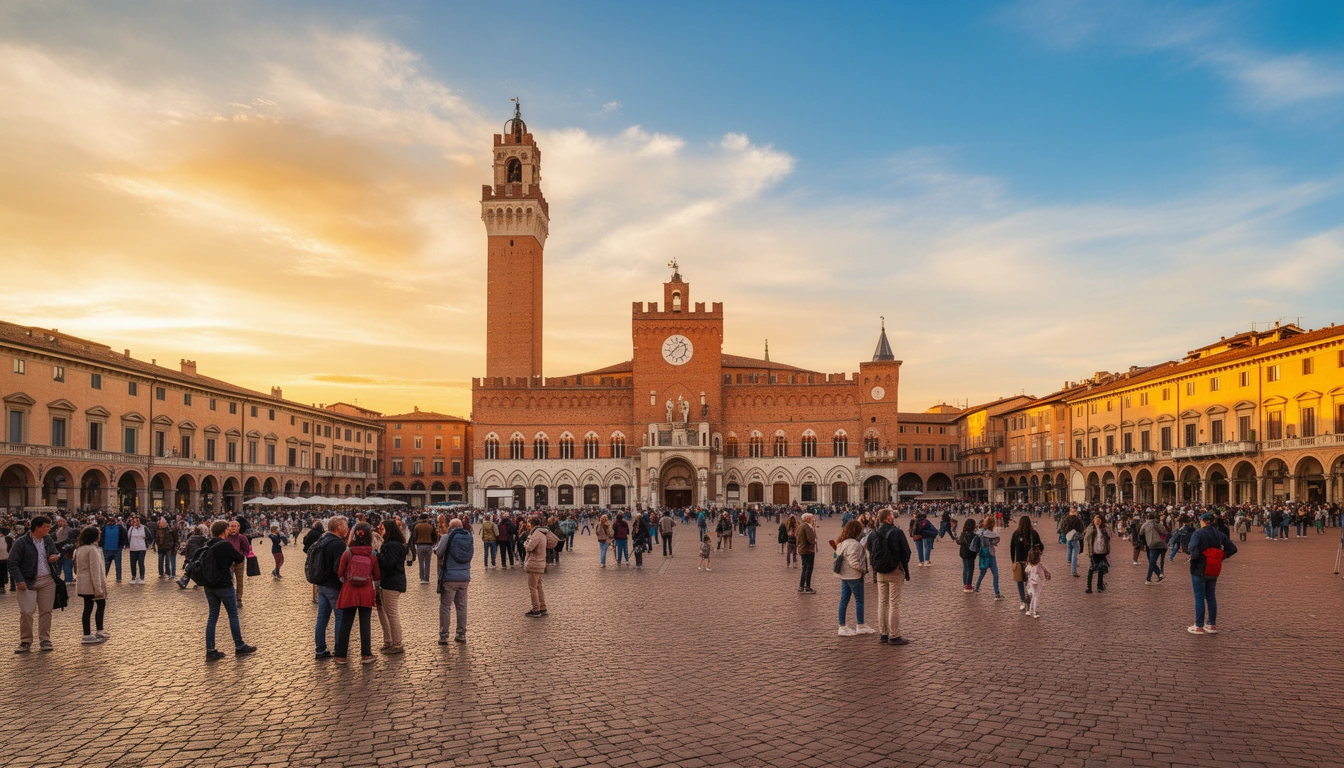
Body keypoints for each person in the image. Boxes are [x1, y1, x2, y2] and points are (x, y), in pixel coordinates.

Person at [198, 519, 255, 661]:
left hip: (209, 585)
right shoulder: (225, 545)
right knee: (233, 615)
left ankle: (210, 650)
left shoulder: (208, 543)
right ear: (224, 531)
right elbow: (239, 558)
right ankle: (239, 645)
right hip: (224, 584)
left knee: (212, 617)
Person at [10, 515, 60, 653]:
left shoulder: (48, 539)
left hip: (47, 580)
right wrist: (19, 580)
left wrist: (56, 556)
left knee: (46, 611)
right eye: (46, 527)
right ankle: (25, 640)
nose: (49, 529)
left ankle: (45, 639)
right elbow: (13, 562)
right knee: (26, 612)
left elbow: (55, 553)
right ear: (37, 527)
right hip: (27, 582)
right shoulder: (21, 542)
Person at [335, 523, 380, 664]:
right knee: (365, 623)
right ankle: (366, 655)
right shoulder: (372, 554)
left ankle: (341, 655)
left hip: (349, 591)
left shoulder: (348, 552)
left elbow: (340, 572)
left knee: (346, 623)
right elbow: (377, 575)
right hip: (366, 591)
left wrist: (347, 579)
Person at [866, 508, 911, 645]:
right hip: (894, 571)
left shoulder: (873, 533)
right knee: (894, 603)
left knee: (882, 602)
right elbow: (906, 552)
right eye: (892, 515)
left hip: (879, 571)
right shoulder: (897, 532)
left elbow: (869, 548)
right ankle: (894, 635)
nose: (893, 516)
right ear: (888, 518)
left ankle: (883, 633)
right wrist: (900, 563)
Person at [1187, 512, 1238, 635]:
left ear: (1202, 521)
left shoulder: (1198, 533)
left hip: (1200, 568)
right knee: (1211, 596)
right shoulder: (1219, 534)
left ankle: (1199, 626)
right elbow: (1233, 548)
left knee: (1199, 597)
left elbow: (1193, 550)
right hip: (1214, 567)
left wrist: (1195, 556)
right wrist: (1222, 556)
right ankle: (1212, 624)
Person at [307, 516, 349, 660]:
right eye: (345, 526)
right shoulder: (338, 544)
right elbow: (339, 567)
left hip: (321, 585)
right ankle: (339, 649)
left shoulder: (322, 539)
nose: (347, 529)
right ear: (338, 527)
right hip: (333, 586)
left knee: (322, 618)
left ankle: (320, 649)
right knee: (340, 617)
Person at [834, 520, 875, 637]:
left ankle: (842, 625)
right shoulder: (854, 544)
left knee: (844, 600)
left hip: (844, 575)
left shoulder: (842, 542)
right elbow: (854, 562)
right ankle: (860, 624)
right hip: (854, 575)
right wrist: (862, 569)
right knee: (859, 600)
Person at [436, 518, 473, 643]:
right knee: (462, 606)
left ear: (451, 526)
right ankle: (461, 634)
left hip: (450, 576)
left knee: (445, 606)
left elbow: (439, 551)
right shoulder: (469, 537)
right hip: (464, 576)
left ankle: (444, 635)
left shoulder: (447, 537)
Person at [375, 519, 407, 653]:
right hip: (391, 581)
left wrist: (377, 556)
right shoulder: (394, 544)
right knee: (387, 612)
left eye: (383, 529)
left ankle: (397, 643)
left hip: (392, 582)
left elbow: (388, 563)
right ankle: (389, 641)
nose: (381, 531)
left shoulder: (392, 545)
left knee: (392, 613)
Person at [73, 526, 109, 643]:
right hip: (92, 583)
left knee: (87, 608)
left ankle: (88, 633)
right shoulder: (92, 549)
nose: (100, 536)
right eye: (98, 534)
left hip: (83, 583)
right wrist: (98, 588)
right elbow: (95, 570)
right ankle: (94, 632)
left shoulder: (79, 549)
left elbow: (75, 568)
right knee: (99, 605)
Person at [523, 517, 559, 617]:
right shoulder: (542, 533)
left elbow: (530, 547)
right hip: (540, 562)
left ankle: (536, 609)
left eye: (528, 523)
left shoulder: (536, 534)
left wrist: (525, 544)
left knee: (532, 588)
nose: (527, 525)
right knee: (538, 586)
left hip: (534, 563)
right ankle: (542, 607)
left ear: (532, 524)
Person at [1009, 516, 1044, 611]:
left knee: (1020, 581)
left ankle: (1023, 600)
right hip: (1031, 562)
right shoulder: (1033, 533)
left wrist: (1013, 561)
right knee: (1030, 581)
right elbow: (1041, 546)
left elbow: (1012, 548)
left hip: (1019, 561)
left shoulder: (1016, 534)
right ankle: (1030, 599)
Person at [974, 517, 1002, 599]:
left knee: (982, 572)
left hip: (983, 554)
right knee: (995, 574)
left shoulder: (981, 532)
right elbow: (996, 540)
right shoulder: (994, 535)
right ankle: (997, 593)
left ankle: (977, 587)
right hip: (991, 554)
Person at [1083, 515, 1111, 594]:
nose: (1097, 521)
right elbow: (1086, 539)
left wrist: (1106, 527)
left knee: (1101, 569)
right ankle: (1089, 586)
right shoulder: (1091, 528)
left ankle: (1100, 586)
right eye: (1096, 519)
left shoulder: (1104, 528)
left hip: (1103, 550)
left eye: (1099, 520)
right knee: (1092, 568)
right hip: (1094, 551)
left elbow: (1109, 536)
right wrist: (1088, 551)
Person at [1140, 513, 1169, 585]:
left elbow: (1141, 533)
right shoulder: (1159, 524)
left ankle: (1148, 579)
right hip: (1162, 544)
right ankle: (1160, 574)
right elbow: (1164, 532)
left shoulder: (1145, 524)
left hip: (1153, 545)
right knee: (1153, 562)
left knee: (1151, 562)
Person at [1024, 549, 1050, 618]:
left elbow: (1026, 571)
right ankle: (1034, 611)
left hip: (1031, 583)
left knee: (1033, 596)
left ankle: (1030, 610)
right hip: (1037, 583)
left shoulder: (1030, 565)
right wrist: (1047, 574)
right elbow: (1045, 569)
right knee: (1035, 597)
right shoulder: (1039, 564)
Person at [1060, 508, 1085, 577]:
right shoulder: (1077, 520)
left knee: (1069, 548)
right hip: (1075, 537)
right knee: (1075, 554)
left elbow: (1062, 527)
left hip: (1068, 536)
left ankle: (1068, 560)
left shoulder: (1066, 519)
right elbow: (1081, 529)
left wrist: (1067, 534)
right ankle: (1073, 570)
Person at [102, 516, 127, 583]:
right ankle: (118, 578)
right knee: (118, 565)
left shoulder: (104, 528)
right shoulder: (119, 528)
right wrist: (123, 545)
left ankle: (104, 577)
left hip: (106, 549)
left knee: (105, 565)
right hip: (117, 549)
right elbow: (124, 536)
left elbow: (101, 538)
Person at [412, 514, 437, 583]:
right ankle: (427, 578)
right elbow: (434, 536)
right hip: (429, 545)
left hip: (420, 545)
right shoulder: (430, 526)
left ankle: (422, 578)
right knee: (427, 562)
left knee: (421, 562)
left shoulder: (417, 526)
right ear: (427, 519)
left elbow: (414, 536)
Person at [796, 513, 817, 594]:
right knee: (808, 568)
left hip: (802, 549)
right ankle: (807, 586)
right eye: (811, 518)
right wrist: (814, 541)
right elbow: (811, 538)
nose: (812, 519)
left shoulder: (800, 526)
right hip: (808, 550)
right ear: (806, 518)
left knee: (804, 568)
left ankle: (801, 586)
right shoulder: (807, 526)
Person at [957, 518, 979, 593]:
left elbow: (959, 542)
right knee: (970, 569)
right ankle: (968, 585)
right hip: (971, 554)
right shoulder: (974, 535)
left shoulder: (963, 534)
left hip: (963, 553)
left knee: (965, 568)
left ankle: (966, 584)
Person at [126, 516, 149, 584]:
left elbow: (150, 536)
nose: (136, 523)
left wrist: (146, 541)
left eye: (137, 521)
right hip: (133, 548)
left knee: (141, 563)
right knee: (133, 563)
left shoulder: (144, 528)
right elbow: (128, 537)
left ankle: (142, 577)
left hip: (141, 548)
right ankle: (133, 576)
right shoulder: (131, 529)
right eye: (134, 521)